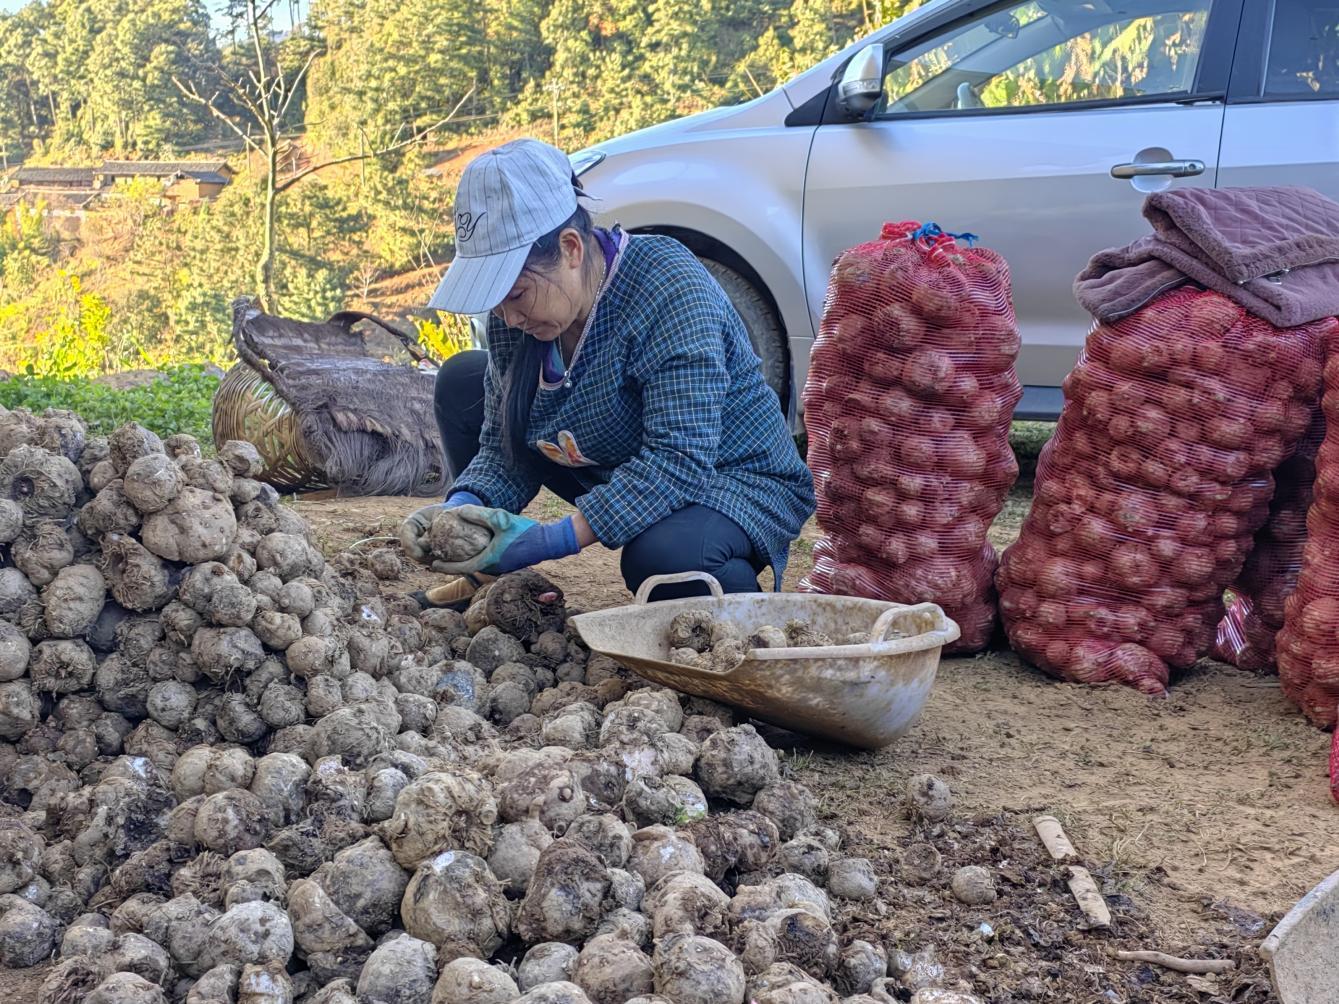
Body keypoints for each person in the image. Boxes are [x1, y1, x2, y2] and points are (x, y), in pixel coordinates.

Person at [400, 138, 814, 602]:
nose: (509, 318)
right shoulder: (515, 319)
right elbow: (505, 446)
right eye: (495, 302)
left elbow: (678, 460)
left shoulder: (669, 287)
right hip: (611, 460)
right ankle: (484, 572)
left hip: (727, 476)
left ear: (571, 248)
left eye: (516, 295)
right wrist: (459, 512)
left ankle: (737, 601)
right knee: (461, 381)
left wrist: (551, 540)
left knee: (663, 559)